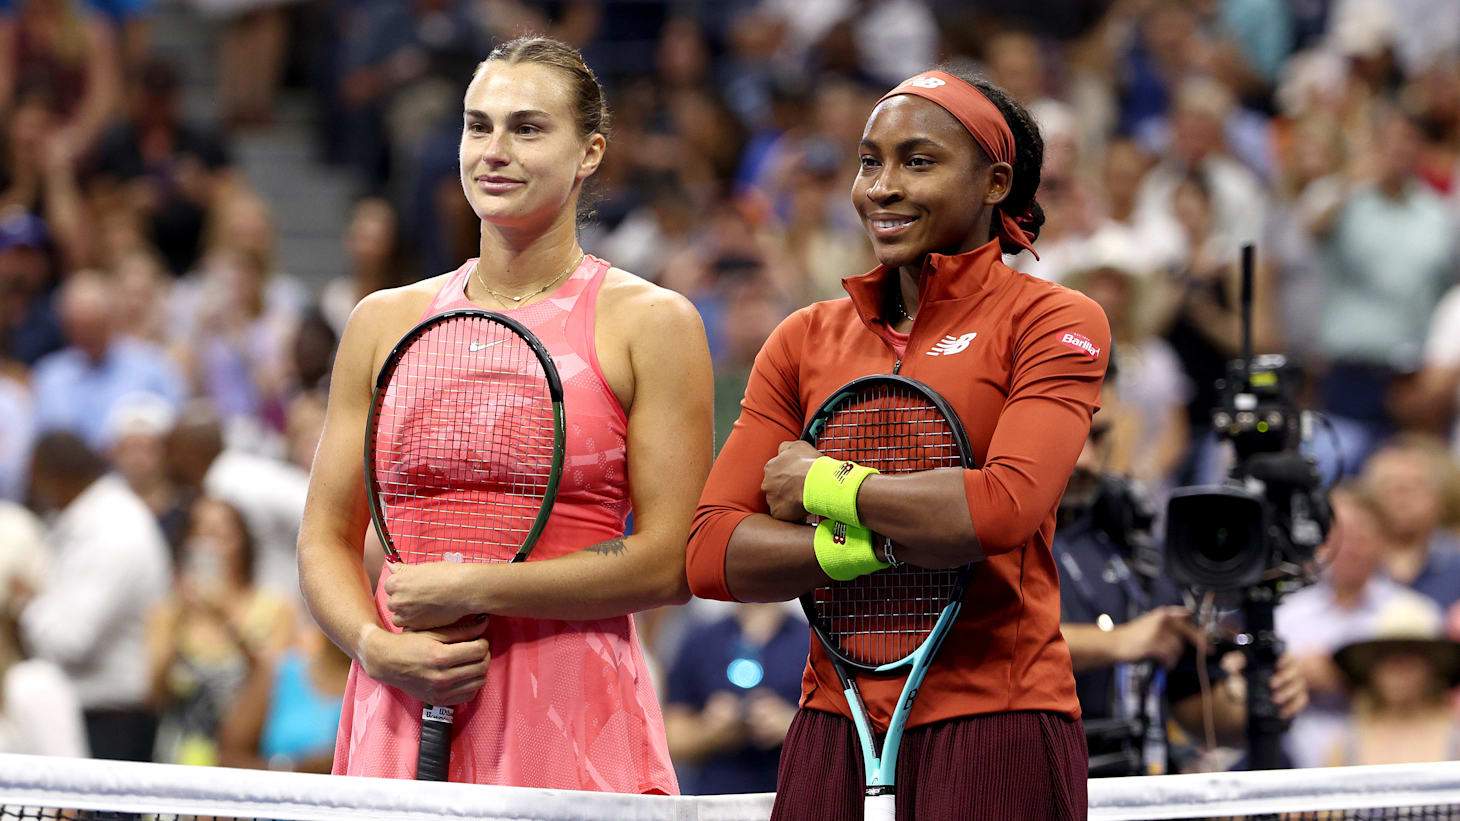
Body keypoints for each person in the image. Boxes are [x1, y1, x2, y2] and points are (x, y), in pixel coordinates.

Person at [688, 67, 1109, 819]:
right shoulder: (802, 339)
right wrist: (877, 544)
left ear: (994, 183)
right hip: (832, 723)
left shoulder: (1054, 320)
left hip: (999, 721)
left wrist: (822, 486)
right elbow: (712, 551)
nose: (882, 187)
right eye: (868, 162)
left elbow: (1003, 508)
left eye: (918, 162)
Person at [297, 36, 713, 791]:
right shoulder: (381, 321)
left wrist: (476, 588)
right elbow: (325, 537)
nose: (494, 151)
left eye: (527, 128)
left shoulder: (653, 322)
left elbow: (669, 560)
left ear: (589, 153)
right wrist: (373, 645)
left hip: (571, 707)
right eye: (477, 125)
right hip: (402, 691)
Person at [16, 430, 171, 761]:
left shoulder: (113, 529)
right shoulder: (93, 519)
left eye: (36, 478)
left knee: (29, 683)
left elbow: (71, 643)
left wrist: (28, 604)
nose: (34, 489)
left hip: (113, 721)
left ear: (56, 476)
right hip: (90, 713)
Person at [147, 496, 294, 765]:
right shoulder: (168, 611)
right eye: (201, 533)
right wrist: (179, 616)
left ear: (243, 542)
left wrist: (226, 619)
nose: (211, 545)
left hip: (245, 755)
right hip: (178, 754)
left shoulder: (275, 608)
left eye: (222, 533)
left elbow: (274, 685)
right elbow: (155, 694)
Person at [662, 602, 804, 794]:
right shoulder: (701, 641)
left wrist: (793, 728)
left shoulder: (813, 643)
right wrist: (708, 730)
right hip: (717, 797)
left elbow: (841, 740)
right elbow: (671, 740)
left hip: (792, 795)